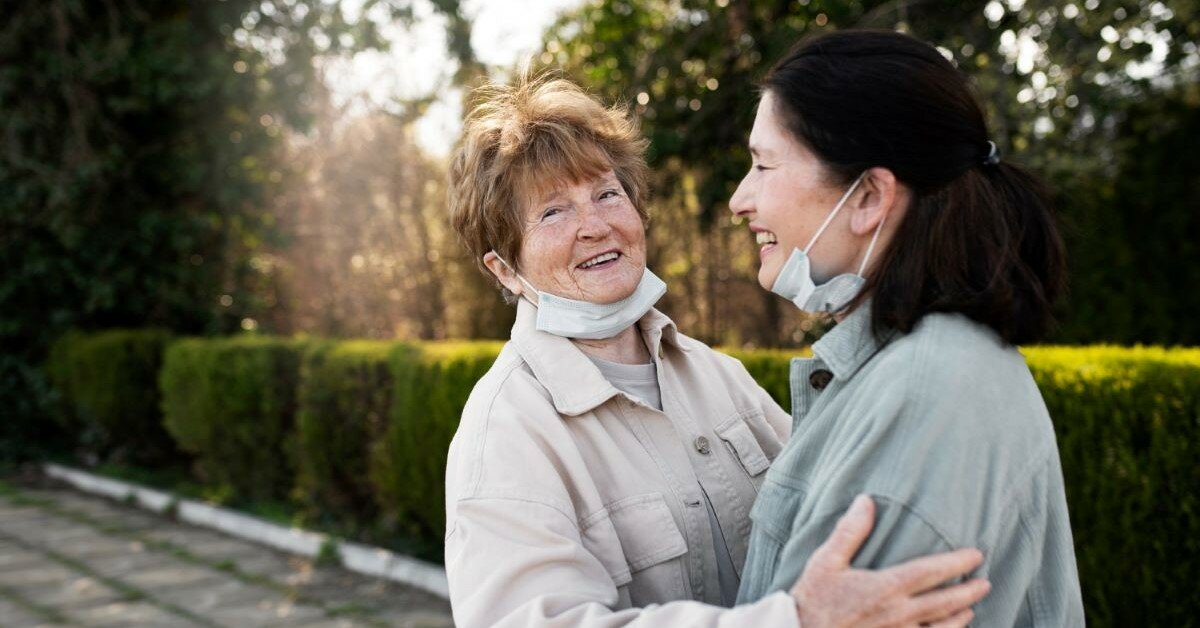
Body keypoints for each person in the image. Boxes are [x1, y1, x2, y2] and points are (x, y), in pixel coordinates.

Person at [442, 73, 990, 627]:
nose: (595, 226)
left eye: (608, 194)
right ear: (505, 270)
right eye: (553, 212)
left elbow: (823, 511)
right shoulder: (506, 435)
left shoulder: (716, 375)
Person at [728, 30, 1084, 627]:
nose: (741, 199)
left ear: (869, 196)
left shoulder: (925, 391)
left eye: (764, 165)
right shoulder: (914, 368)